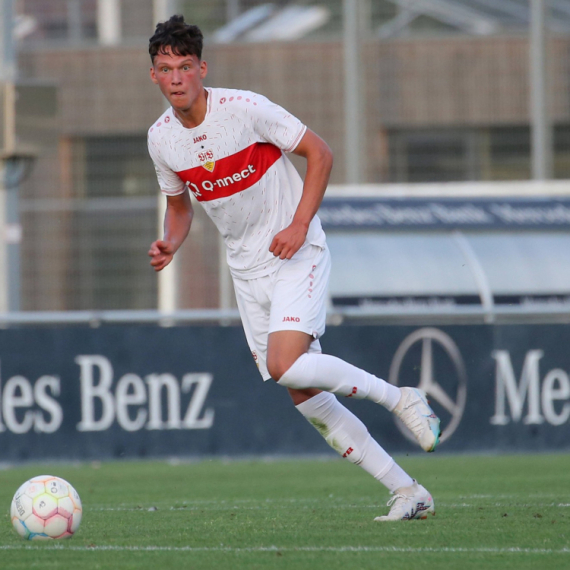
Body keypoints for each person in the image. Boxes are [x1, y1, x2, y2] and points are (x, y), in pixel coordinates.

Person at [146, 15, 441, 521]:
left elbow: (319, 153)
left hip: (295, 252)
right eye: (166, 69)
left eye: (185, 66)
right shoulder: (160, 140)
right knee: (303, 393)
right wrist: (170, 243)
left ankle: (400, 398)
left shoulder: (245, 108)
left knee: (286, 365)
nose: (176, 78)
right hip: (246, 271)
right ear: (154, 75)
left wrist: (300, 224)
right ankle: (408, 490)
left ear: (202, 69)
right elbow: (179, 207)